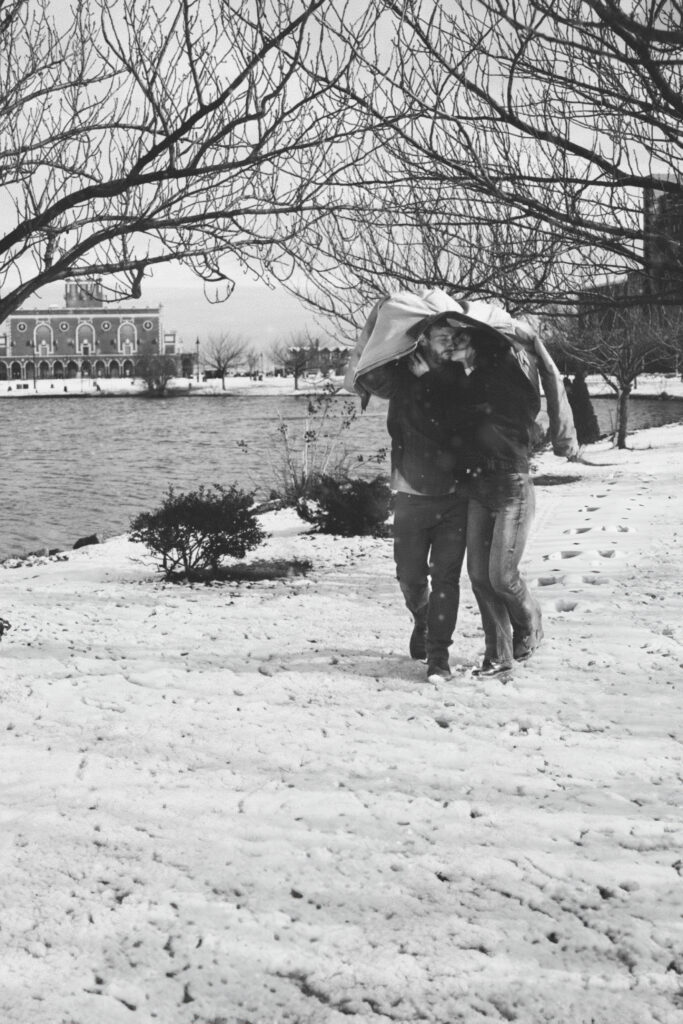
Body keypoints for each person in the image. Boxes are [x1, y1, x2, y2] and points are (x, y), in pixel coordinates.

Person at [436, 315, 579, 677]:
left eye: (458, 340)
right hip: (476, 485)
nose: (451, 347)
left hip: (511, 483)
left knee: (501, 576)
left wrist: (506, 335)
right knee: (480, 576)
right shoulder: (461, 382)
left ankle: (530, 622)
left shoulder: (504, 371)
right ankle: (498, 656)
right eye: (448, 342)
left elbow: (533, 380)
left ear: (479, 342)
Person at [358, 322, 471, 684]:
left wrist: (429, 381)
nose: (449, 344)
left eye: (453, 339)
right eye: (442, 337)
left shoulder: (462, 377)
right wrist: (383, 329)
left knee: (446, 579)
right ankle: (422, 617)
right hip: (409, 494)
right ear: (422, 339)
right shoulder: (400, 373)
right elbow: (369, 373)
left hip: (454, 496)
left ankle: (439, 656)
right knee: (409, 575)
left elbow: (459, 419)